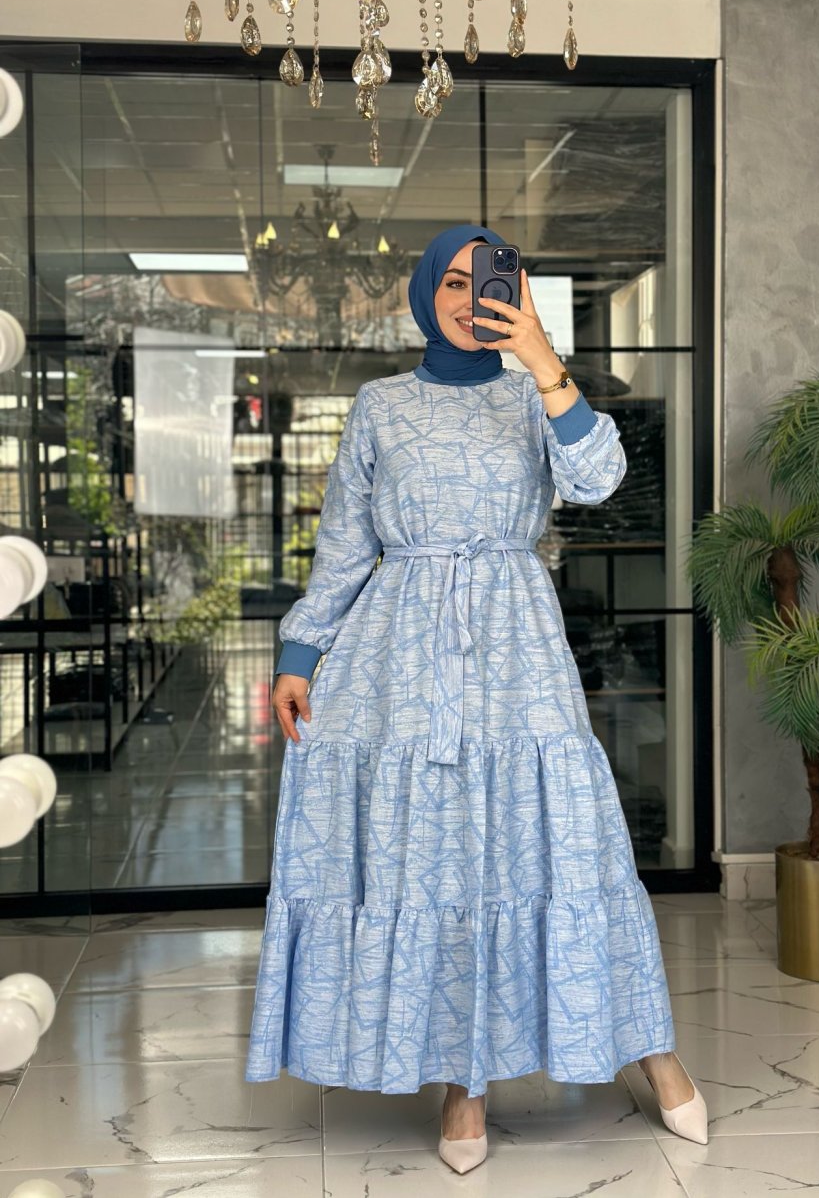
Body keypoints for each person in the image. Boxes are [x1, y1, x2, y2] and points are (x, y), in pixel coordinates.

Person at [244, 224, 709, 1172]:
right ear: (426, 293)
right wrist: (299, 650)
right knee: (440, 856)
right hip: (399, 653)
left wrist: (542, 357)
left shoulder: (536, 390)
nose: (469, 298)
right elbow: (345, 544)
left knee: (569, 840)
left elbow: (601, 479)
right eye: (452, 282)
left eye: (489, 281)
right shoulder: (380, 405)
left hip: (515, 644)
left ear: (517, 292)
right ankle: (464, 1086)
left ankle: (654, 1053)